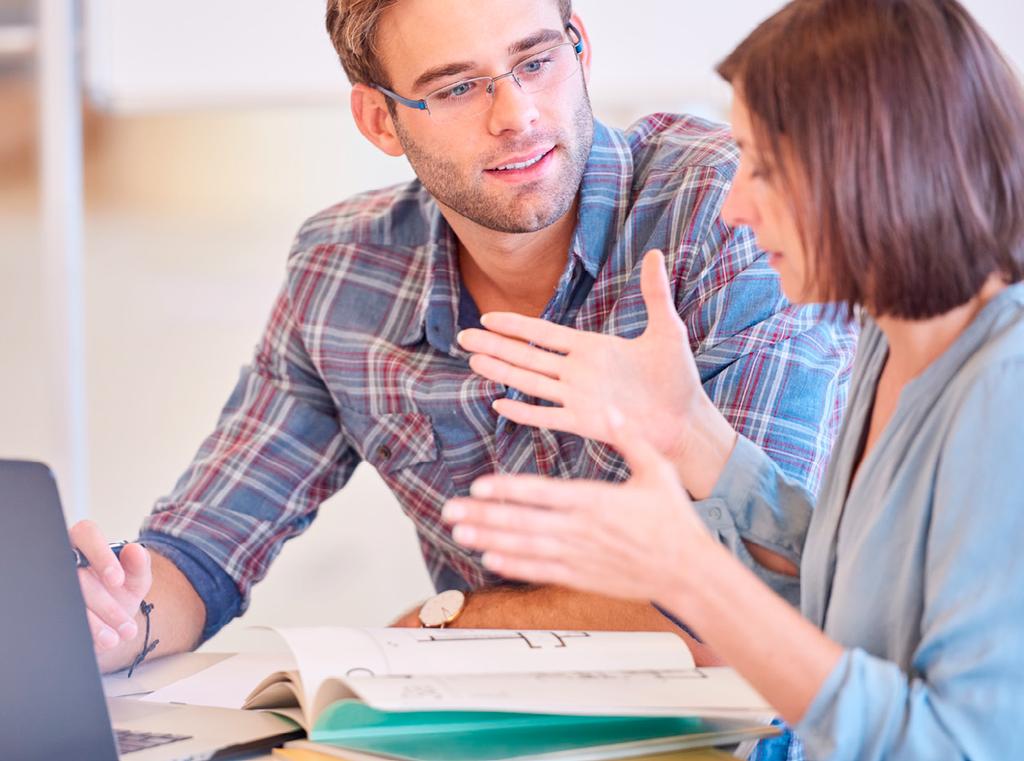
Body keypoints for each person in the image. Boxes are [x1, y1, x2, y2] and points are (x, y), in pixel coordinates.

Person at [70, 0, 854, 675]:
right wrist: (117, 621)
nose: (516, 114)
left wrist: (443, 625)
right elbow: (204, 551)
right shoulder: (345, 273)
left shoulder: (728, 210)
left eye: (537, 62)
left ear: (580, 47)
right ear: (380, 119)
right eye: (456, 87)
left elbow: (764, 596)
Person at [443, 0, 1024, 758]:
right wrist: (693, 436)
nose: (735, 204)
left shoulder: (1005, 392)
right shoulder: (891, 338)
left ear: (877, 164)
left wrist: (692, 579)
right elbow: (831, 611)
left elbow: (956, 741)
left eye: (765, 168)